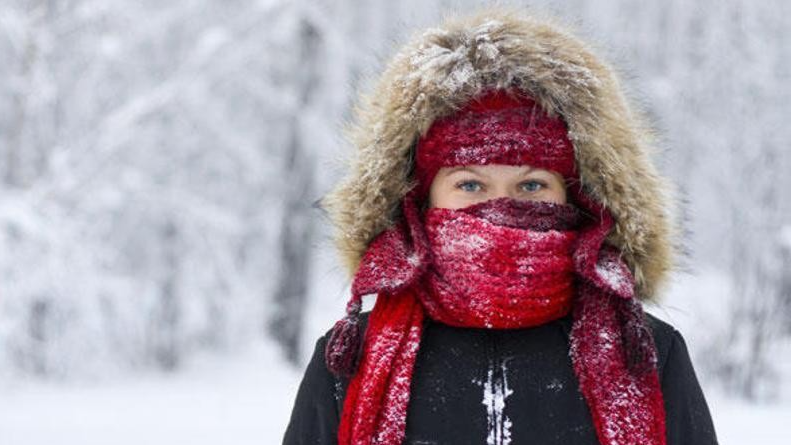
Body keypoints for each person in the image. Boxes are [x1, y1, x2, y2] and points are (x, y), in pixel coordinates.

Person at [283, 7, 718, 445]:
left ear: (577, 197)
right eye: (470, 183)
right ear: (419, 200)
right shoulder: (350, 361)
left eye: (531, 184)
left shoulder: (646, 355)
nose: (501, 206)